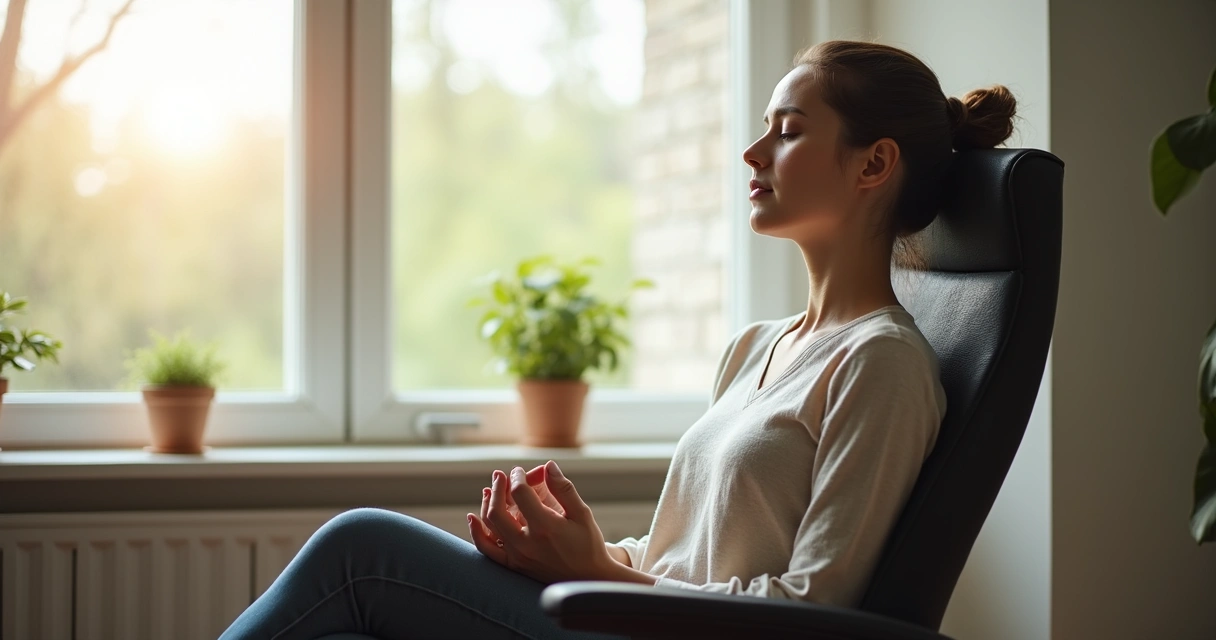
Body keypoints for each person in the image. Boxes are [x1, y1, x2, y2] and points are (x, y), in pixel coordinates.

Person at [219, 39, 1017, 640]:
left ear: (873, 163)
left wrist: (595, 573)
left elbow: (815, 610)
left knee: (361, 545)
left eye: (787, 131)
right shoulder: (755, 347)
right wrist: (577, 550)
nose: (753, 151)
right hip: (627, 611)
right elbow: (684, 553)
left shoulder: (883, 365)